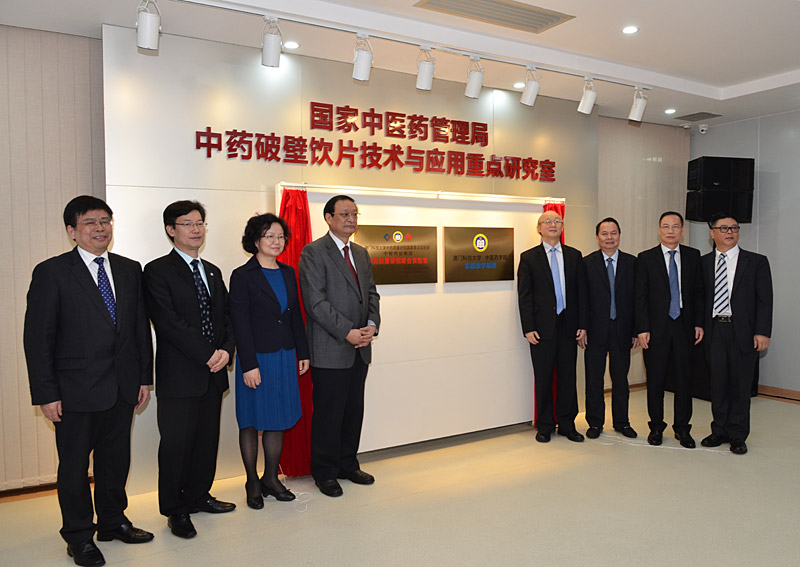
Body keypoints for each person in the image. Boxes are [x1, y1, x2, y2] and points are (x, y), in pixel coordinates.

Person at [23, 195, 154, 567]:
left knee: (115, 461)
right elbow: (38, 338)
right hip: (74, 391)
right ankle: (79, 535)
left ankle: (112, 521)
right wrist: (46, 393)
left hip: (122, 386)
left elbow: (139, 328)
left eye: (105, 221)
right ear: (71, 230)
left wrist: (144, 378)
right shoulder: (52, 272)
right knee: (74, 468)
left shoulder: (129, 269)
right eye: (90, 222)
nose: (100, 228)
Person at [143, 200, 236, 539]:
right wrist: (208, 354)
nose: (196, 230)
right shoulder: (156, 271)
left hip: (213, 373)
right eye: (187, 224)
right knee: (176, 445)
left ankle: (199, 495)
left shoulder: (212, 270)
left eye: (200, 223)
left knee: (206, 441)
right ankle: (175, 509)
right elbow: (168, 322)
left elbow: (227, 316)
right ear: (171, 230)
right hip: (180, 375)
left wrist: (226, 350)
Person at [298, 195, 381, 497]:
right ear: (328, 218)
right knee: (329, 414)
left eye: (354, 214)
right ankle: (325, 472)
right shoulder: (313, 252)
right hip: (330, 347)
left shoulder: (361, 252)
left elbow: (371, 294)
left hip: (361, 348)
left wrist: (372, 324)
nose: (351, 219)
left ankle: (348, 464)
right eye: (344, 214)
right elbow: (315, 302)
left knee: (353, 411)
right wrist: (347, 332)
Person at [229, 213, 310, 509]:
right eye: (269, 236)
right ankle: (252, 481)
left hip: (285, 355)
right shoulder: (242, 275)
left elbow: (294, 317)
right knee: (251, 420)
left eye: (280, 236)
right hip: (256, 359)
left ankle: (271, 479)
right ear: (255, 241)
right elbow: (239, 322)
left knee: (278, 418)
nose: (276, 242)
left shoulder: (288, 272)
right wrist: (248, 364)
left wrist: (303, 352)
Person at [700, 212, 772, 455]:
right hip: (714, 330)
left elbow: (765, 300)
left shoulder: (756, 262)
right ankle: (719, 430)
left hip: (743, 332)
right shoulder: (703, 263)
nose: (730, 232)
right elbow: (699, 299)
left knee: (740, 386)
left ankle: (738, 435)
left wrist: (762, 332)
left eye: (734, 228)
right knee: (718, 384)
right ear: (712, 233)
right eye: (724, 228)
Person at [517, 209, 587, 443]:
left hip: (569, 326)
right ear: (539, 228)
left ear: (562, 226)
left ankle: (567, 424)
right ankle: (545, 425)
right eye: (547, 221)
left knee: (568, 377)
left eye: (557, 221)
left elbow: (581, 293)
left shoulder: (574, 255)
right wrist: (528, 327)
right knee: (544, 377)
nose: (553, 224)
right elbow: (524, 295)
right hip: (541, 329)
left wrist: (582, 324)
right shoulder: (529, 257)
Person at [635, 211, 704, 448]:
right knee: (655, 381)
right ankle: (656, 427)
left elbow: (699, 293)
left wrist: (699, 323)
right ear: (659, 230)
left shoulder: (693, 256)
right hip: (656, 329)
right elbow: (640, 297)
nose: (671, 231)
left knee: (685, 380)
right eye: (666, 226)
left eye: (675, 226)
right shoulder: (646, 258)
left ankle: (683, 429)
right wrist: (642, 328)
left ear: (682, 230)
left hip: (685, 327)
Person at [583, 218, 639, 439]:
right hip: (595, 331)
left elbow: (638, 300)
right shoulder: (587, 263)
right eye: (604, 233)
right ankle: (595, 423)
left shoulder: (632, 263)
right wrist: (582, 328)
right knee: (594, 379)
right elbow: (581, 299)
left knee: (621, 379)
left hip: (623, 331)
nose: (609, 237)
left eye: (613, 233)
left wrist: (636, 330)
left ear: (619, 236)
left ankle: (622, 422)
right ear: (597, 237)